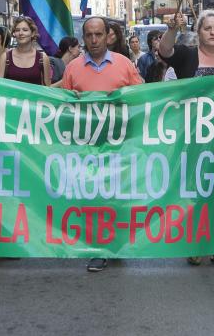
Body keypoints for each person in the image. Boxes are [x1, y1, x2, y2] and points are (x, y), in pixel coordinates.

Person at [159, 9, 214, 268]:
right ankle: (195, 242)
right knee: (195, 191)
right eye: (207, 28)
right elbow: (165, 51)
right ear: (198, 32)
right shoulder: (187, 55)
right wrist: (172, 29)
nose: (213, 32)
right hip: (193, 137)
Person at [60, 17, 142, 272]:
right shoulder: (72, 68)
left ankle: (115, 242)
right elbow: (62, 109)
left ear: (108, 36)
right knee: (92, 197)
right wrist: (70, 99)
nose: (94, 40)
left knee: (116, 196)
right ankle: (99, 248)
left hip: (119, 145)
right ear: (83, 38)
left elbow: (141, 99)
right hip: (87, 146)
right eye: (89, 35)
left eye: (98, 34)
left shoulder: (124, 64)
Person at [0, 16, 52, 85]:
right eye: (17, 30)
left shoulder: (43, 58)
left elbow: (47, 88)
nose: (21, 33)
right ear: (14, 33)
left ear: (32, 33)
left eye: (25, 30)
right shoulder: (5, 57)